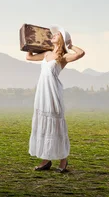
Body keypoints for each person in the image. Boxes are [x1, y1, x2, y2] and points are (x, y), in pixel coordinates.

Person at [25, 25, 85, 173]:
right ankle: (46, 161)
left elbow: (81, 53)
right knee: (44, 125)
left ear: (62, 40)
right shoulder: (46, 53)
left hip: (52, 93)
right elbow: (29, 57)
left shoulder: (62, 57)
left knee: (56, 125)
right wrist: (31, 43)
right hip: (42, 93)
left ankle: (63, 161)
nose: (53, 34)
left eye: (57, 34)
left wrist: (70, 45)